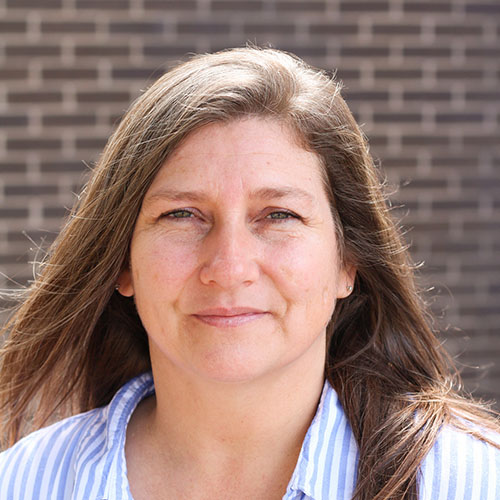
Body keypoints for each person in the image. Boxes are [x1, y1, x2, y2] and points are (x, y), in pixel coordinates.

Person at [0, 46, 499, 500]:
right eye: (182, 215)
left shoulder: (470, 482)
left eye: (279, 215)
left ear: (348, 261)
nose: (230, 268)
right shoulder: (24, 483)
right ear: (122, 263)